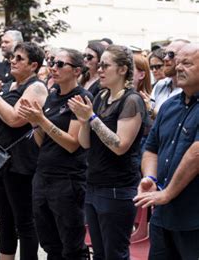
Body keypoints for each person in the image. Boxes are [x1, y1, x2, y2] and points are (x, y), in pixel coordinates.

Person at [68, 45, 146, 259]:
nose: (99, 70)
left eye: (105, 65)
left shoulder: (132, 100)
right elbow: (84, 143)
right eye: (99, 65)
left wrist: (92, 118)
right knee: (100, 253)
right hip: (94, 185)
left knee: (115, 254)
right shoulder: (101, 97)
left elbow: (120, 146)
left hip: (117, 189)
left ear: (122, 69)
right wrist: (84, 121)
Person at [0, 42, 48, 259]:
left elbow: (15, 119)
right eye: (13, 57)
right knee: (5, 219)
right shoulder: (8, 86)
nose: (13, 61)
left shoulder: (36, 87)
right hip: (0, 162)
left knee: (25, 222)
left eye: (20, 58)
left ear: (33, 65)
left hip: (21, 164)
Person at [19, 48, 91, 259]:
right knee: (50, 243)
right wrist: (35, 124)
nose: (53, 67)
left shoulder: (81, 98)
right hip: (44, 175)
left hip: (67, 179)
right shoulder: (52, 96)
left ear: (77, 71)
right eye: (52, 62)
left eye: (60, 64)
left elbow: (72, 144)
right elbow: (44, 142)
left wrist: (42, 120)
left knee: (71, 245)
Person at [133, 43, 199, 259]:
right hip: (163, 216)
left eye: (187, 63)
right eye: (178, 63)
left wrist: (167, 193)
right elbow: (151, 148)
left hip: (193, 219)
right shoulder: (169, 106)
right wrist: (150, 177)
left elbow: (196, 154)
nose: (179, 68)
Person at [141, 40, 189, 120]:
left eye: (171, 54)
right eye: (164, 54)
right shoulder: (160, 84)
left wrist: (151, 110)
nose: (165, 58)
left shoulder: (190, 89)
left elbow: (175, 122)